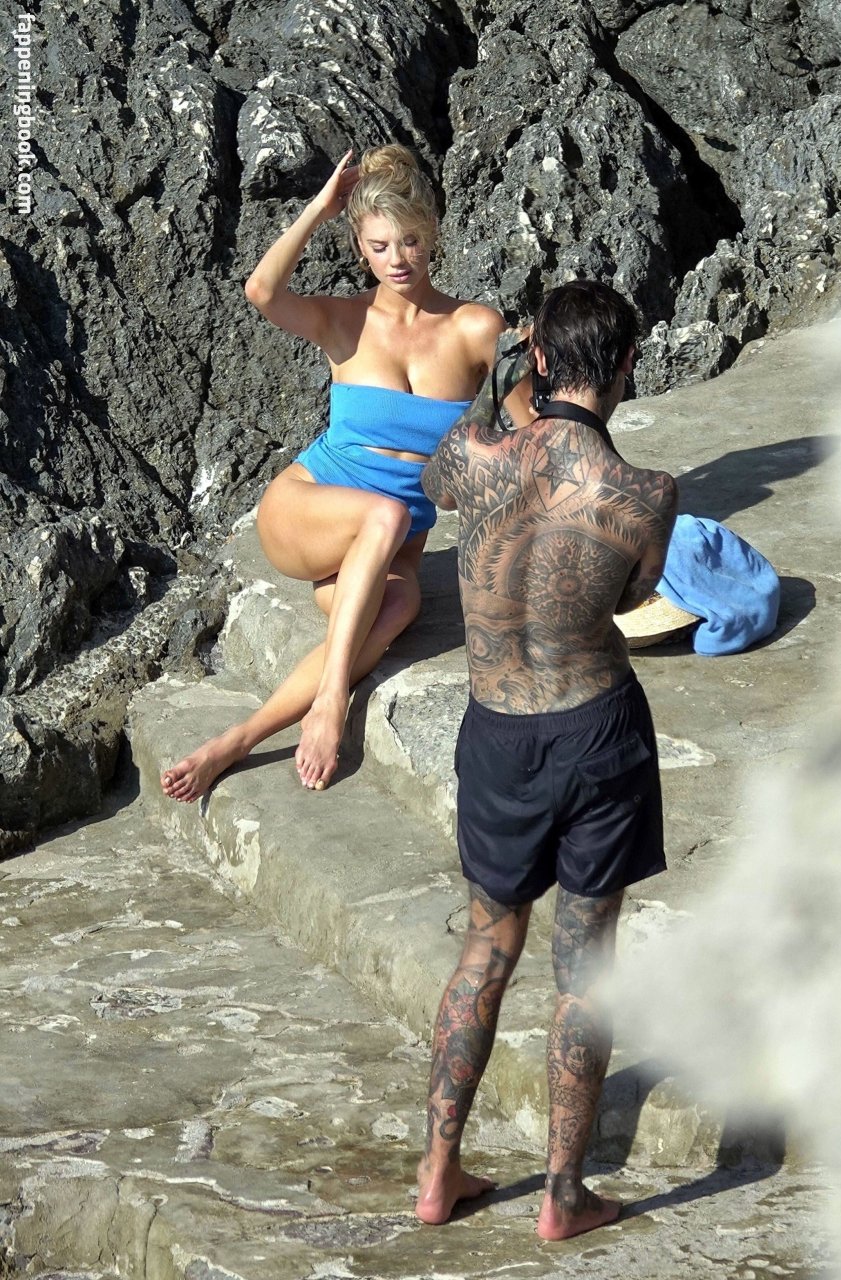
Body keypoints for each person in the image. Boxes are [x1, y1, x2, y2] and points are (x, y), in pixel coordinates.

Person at [414, 280, 678, 1239]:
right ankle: (562, 1196)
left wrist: (496, 392)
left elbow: (441, 482)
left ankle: (436, 1174)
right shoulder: (646, 496)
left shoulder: (470, 455)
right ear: (626, 367)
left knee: (486, 948)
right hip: (595, 728)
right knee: (584, 968)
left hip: (496, 729)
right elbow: (632, 597)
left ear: (534, 358)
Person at [161, 145, 530, 801]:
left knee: (401, 604)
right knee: (385, 515)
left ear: (432, 233)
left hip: (391, 545)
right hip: (307, 511)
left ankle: (238, 740)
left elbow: (533, 436)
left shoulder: (476, 327)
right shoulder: (343, 320)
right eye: (380, 245)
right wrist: (320, 207)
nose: (397, 259)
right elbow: (261, 291)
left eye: (410, 241)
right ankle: (332, 702)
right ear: (360, 246)